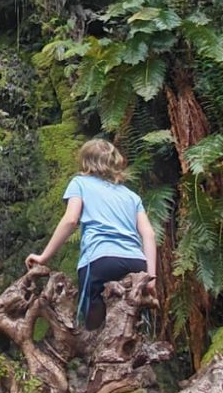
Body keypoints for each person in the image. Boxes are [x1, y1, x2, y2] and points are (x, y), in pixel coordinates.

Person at [25, 139, 158, 330]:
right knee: (130, 324)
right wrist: (151, 277)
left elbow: (71, 220)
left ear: (85, 161)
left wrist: (43, 257)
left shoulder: (80, 183)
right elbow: (149, 234)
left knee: (93, 327)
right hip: (136, 263)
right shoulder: (131, 196)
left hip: (100, 260)